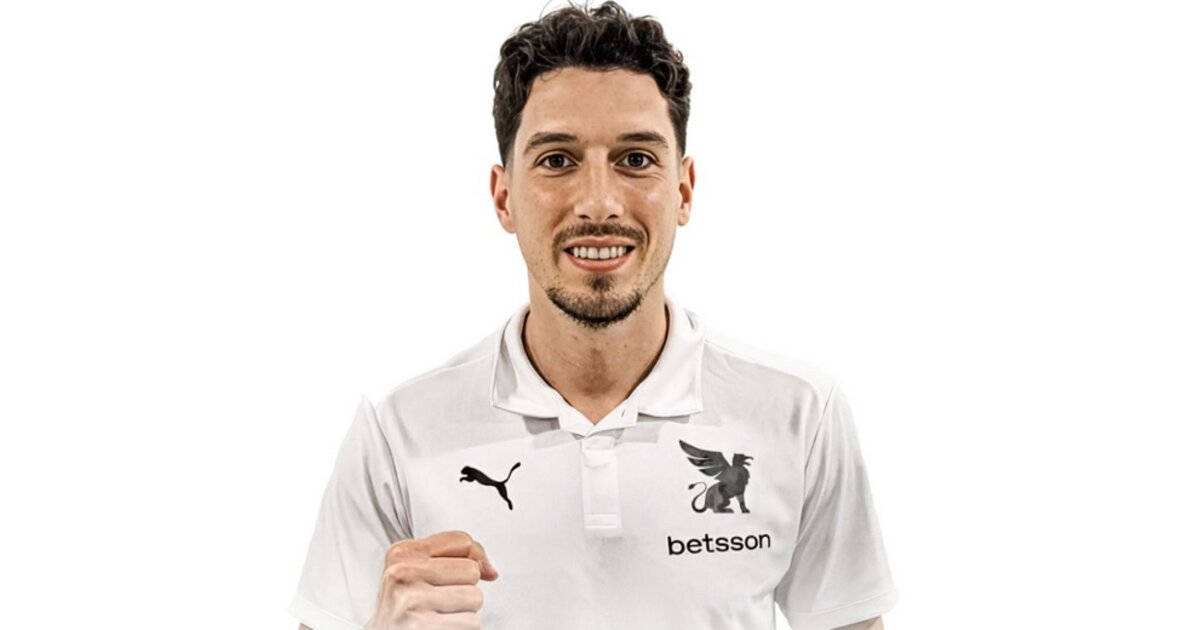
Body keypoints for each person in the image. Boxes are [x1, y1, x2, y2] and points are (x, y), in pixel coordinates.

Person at [289, 2, 898, 628]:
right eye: (557, 160)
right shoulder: (397, 434)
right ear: (503, 197)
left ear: (684, 190)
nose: (599, 203)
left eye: (636, 159)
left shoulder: (799, 413)